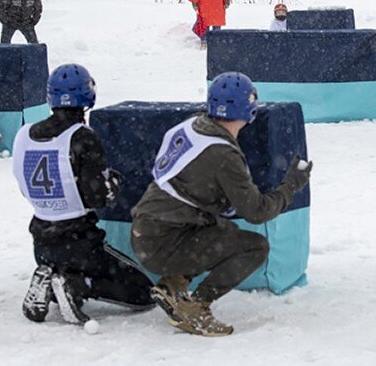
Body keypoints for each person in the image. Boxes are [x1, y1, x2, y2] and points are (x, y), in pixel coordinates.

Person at [130, 71, 312, 336]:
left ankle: (174, 284)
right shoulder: (223, 155)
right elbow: (257, 212)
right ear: (248, 109)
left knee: (225, 232)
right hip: (163, 243)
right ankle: (196, 307)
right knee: (254, 246)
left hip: (149, 231)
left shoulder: (191, 125)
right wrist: (291, 186)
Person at [13, 63, 154, 324]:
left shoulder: (23, 135)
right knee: (145, 293)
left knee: (63, 268)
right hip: (79, 240)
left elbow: (24, 186)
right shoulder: (82, 136)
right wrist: (113, 182)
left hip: (41, 240)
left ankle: (54, 277)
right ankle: (77, 284)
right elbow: (97, 197)